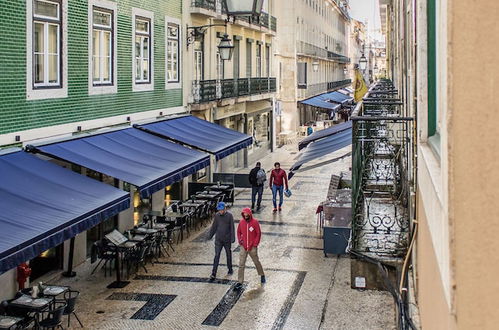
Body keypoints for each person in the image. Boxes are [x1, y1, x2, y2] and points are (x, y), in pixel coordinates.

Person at [236, 208, 265, 289]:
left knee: (256, 261)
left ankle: (262, 274)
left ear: (249, 214)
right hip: (243, 247)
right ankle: (240, 281)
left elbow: (258, 233)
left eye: (246, 215)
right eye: (244, 215)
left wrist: (255, 244)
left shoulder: (255, 223)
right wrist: (240, 240)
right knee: (241, 264)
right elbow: (238, 232)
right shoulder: (241, 222)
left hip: (252, 247)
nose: (245, 216)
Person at [208, 202, 235, 280]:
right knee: (216, 256)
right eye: (219, 210)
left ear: (225, 209)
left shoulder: (230, 216)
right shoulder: (217, 216)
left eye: (222, 210)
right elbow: (214, 226)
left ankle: (230, 269)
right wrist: (210, 235)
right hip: (218, 240)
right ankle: (213, 273)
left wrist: (232, 238)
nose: (221, 211)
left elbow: (232, 227)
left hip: (227, 240)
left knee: (228, 254)